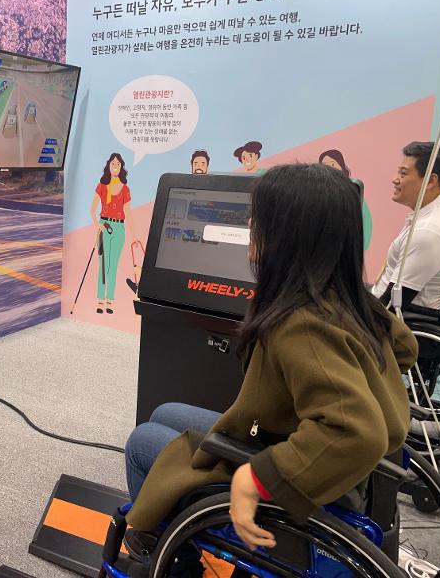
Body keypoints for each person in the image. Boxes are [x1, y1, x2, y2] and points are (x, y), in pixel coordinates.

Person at [123, 164, 418, 564]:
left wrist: (256, 478)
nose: (249, 224)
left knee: (142, 443)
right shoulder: (349, 297)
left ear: (287, 237)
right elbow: (405, 348)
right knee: (165, 412)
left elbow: (356, 433)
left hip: (297, 470)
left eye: (258, 219)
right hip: (317, 454)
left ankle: (166, 555)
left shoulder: (302, 323)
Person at [372, 141, 440, 311]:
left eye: (403, 174)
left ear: (430, 181)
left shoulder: (430, 231)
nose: (395, 179)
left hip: (401, 323)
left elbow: (391, 307)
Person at [89, 153, 139, 314]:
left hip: (119, 229)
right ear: (108, 166)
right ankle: (99, 299)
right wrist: (97, 225)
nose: (115, 166)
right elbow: (92, 210)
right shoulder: (101, 186)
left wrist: (133, 236)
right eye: (113, 163)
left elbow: (128, 213)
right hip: (104, 226)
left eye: (118, 164)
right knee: (103, 265)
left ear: (121, 167)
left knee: (113, 266)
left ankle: (110, 300)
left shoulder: (125, 189)